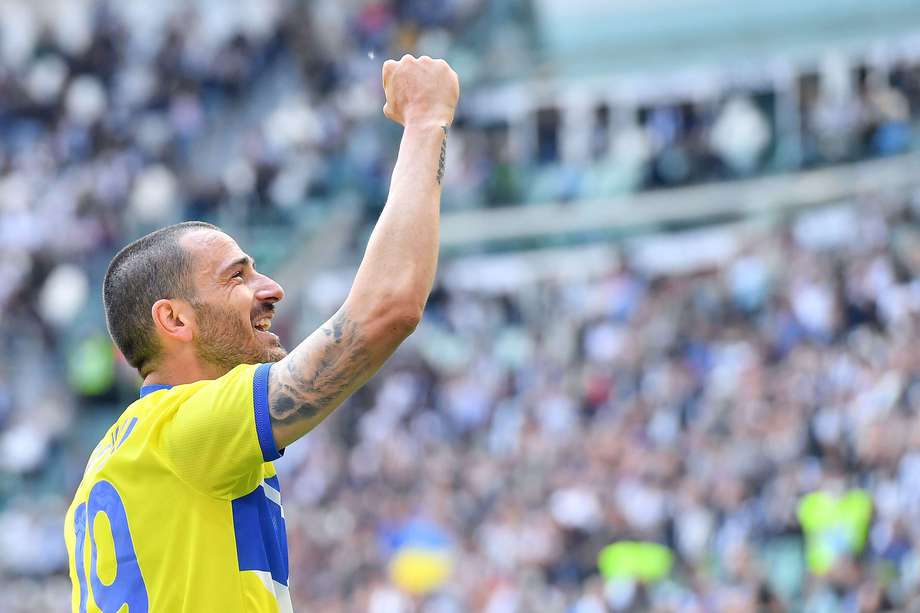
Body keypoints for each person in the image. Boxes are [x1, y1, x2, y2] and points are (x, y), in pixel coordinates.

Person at [63, 54, 459, 612]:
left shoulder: (114, 462)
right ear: (174, 319)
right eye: (237, 276)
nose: (271, 288)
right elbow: (387, 308)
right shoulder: (187, 427)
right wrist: (426, 122)